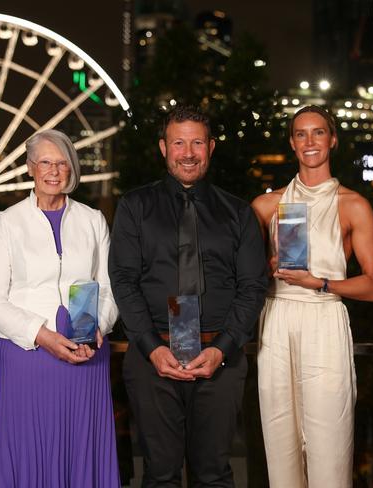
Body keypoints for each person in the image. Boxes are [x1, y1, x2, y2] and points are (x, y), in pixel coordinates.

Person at [109, 106, 268, 487]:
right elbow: (123, 280)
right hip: (152, 362)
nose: (188, 152)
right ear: (163, 148)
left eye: (197, 142)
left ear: (211, 147)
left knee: (214, 475)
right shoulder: (134, 207)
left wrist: (223, 348)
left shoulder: (239, 213)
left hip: (220, 362)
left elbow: (253, 286)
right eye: (179, 142)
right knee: (160, 475)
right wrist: (150, 348)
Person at [0, 129, 120, 487]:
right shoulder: (6, 223)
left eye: (62, 163)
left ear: (71, 169)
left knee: (83, 448)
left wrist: (99, 325)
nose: (54, 171)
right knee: (28, 449)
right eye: (45, 162)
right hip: (28, 354)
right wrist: (41, 335)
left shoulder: (93, 220)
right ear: (29, 167)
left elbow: (109, 289)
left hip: (87, 352)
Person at [251, 105, 373, 488]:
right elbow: (241, 279)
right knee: (280, 446)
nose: (310, 141)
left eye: (319, 132)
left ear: (333, 139)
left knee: (330, 447)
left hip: (325, 321)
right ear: (292, 143)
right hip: (275, 322)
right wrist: (266, 265)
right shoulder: (264, 206)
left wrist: (322, 283)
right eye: (301, 134)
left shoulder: (353, 205)